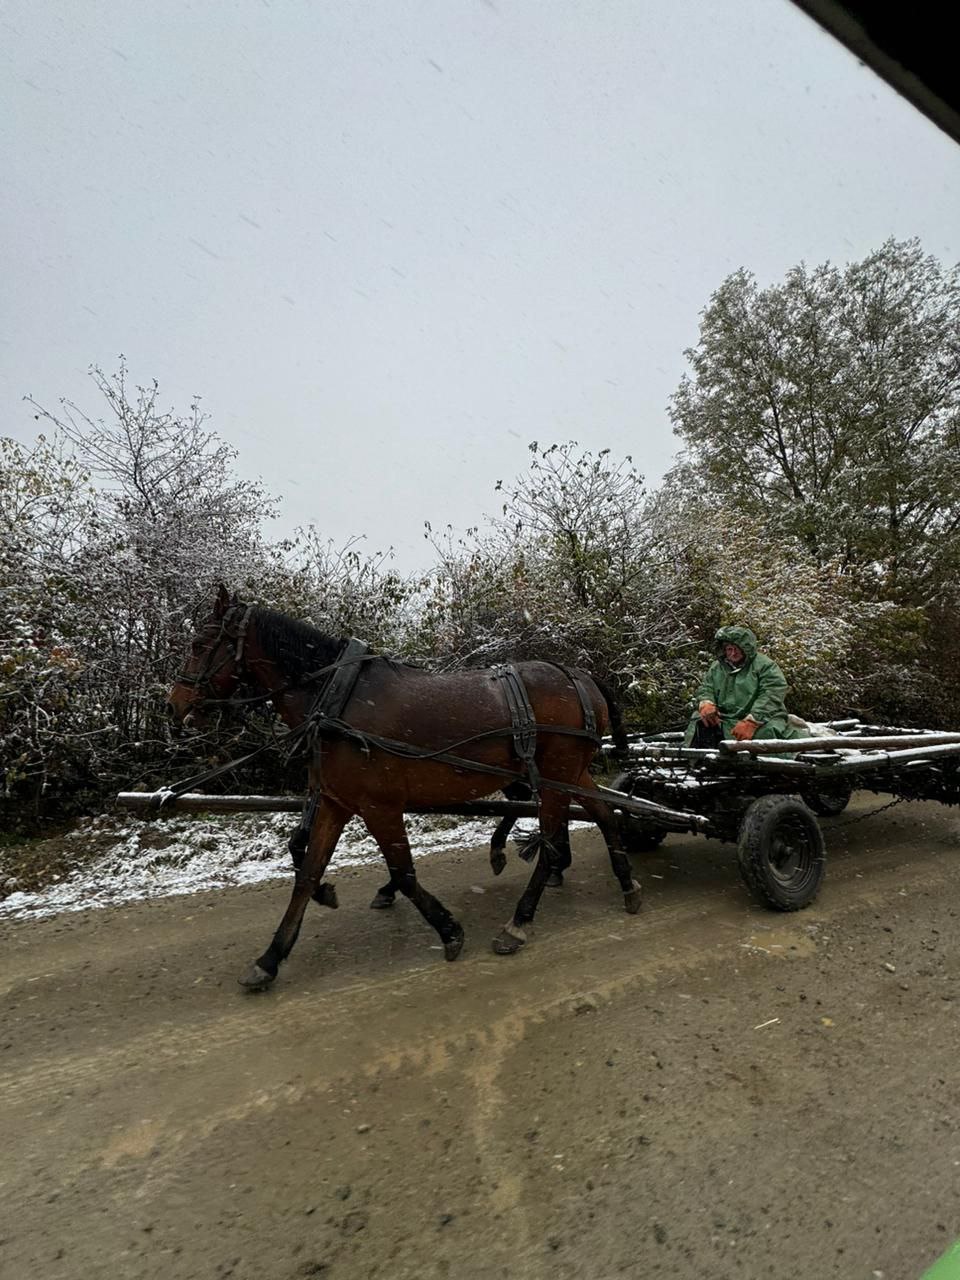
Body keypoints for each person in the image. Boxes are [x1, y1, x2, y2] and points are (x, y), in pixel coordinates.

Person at [683, 625, 802, 748]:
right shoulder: (716, 667)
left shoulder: (765, 666)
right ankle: (698, 760)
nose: (733, 653)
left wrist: (752, 720)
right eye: (729, 649)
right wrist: (706, 703)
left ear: (746, 649)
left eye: (737, 649)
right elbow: (706, 687)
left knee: (767, 735)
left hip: (762, 718)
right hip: (725, 718)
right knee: (699, 721)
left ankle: (761, 765)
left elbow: (771, 695)